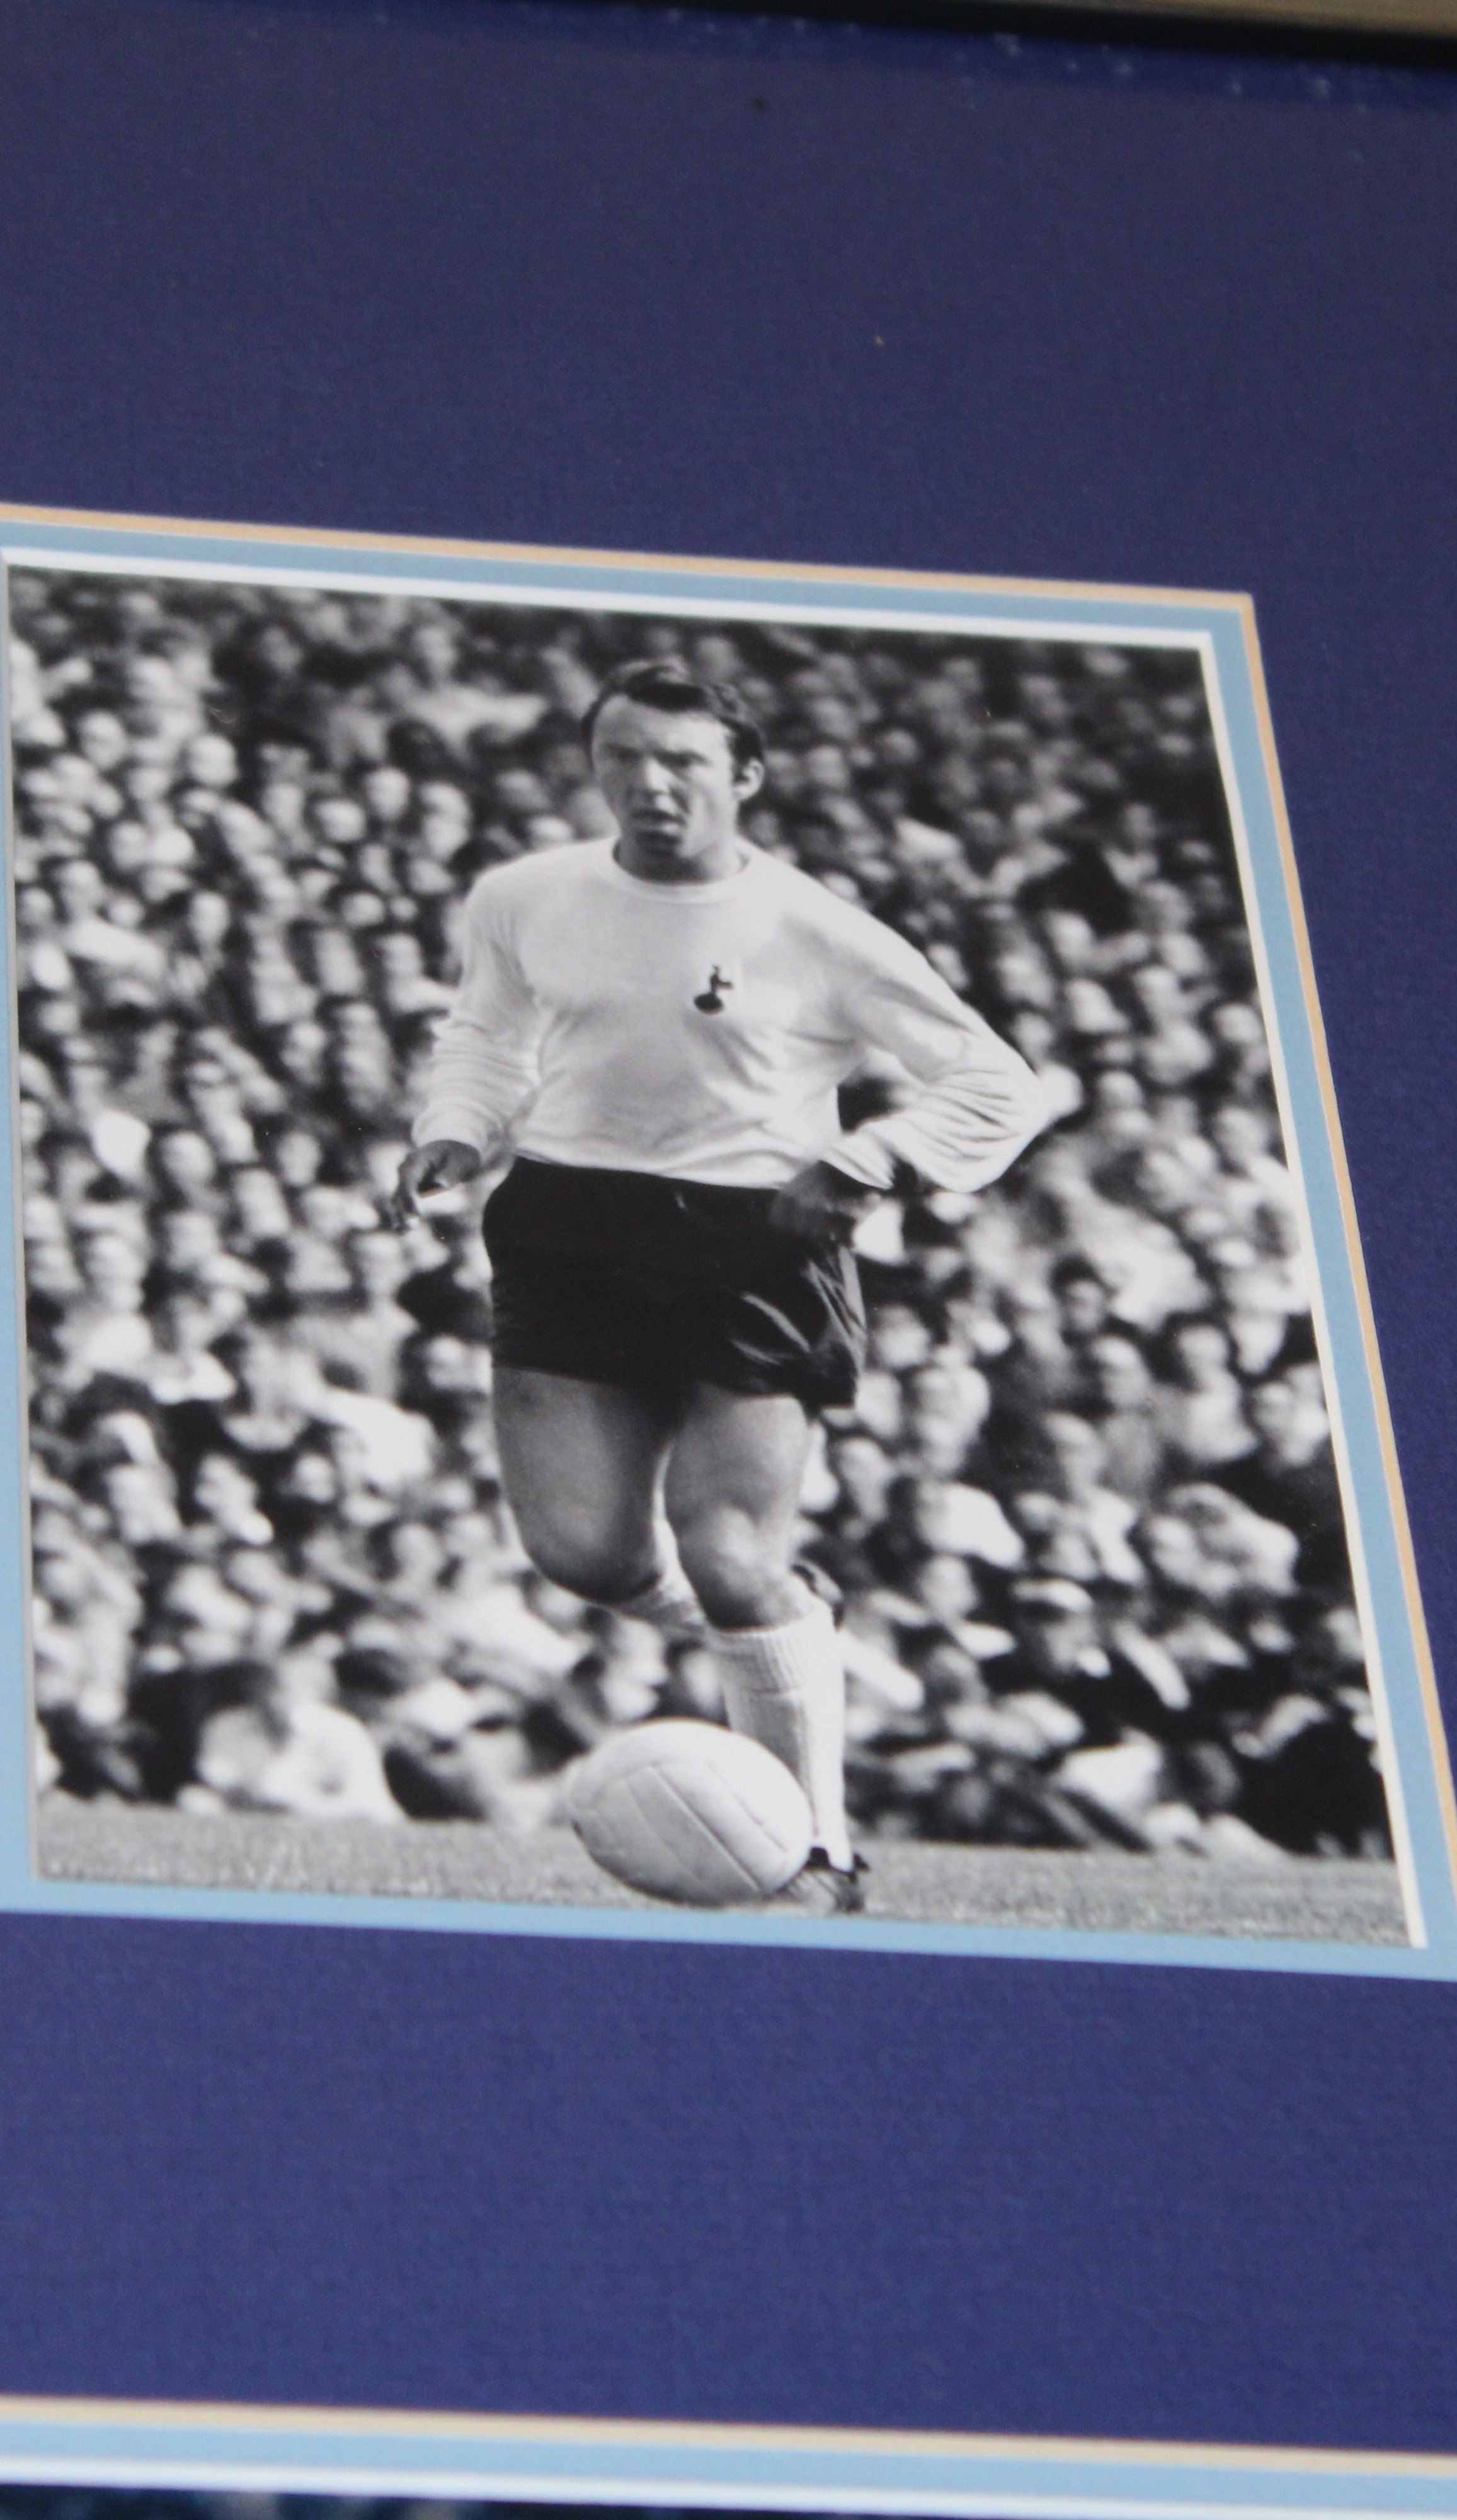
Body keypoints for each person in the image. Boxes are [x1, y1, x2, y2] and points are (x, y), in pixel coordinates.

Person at [389, 658, 1051, 1910]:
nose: (649, 783)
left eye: (682, 760)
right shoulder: (525, 895)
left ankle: (821, 1853)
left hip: (751, 1239)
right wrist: (458, 1128)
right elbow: (484, 1030)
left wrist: (874, 1158)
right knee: (583, 1554)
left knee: (732, 1551)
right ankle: (787, 1632)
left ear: (743, 775)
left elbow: (998, 1080)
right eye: (623, 757)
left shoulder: (817, 928)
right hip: (568, 1222)